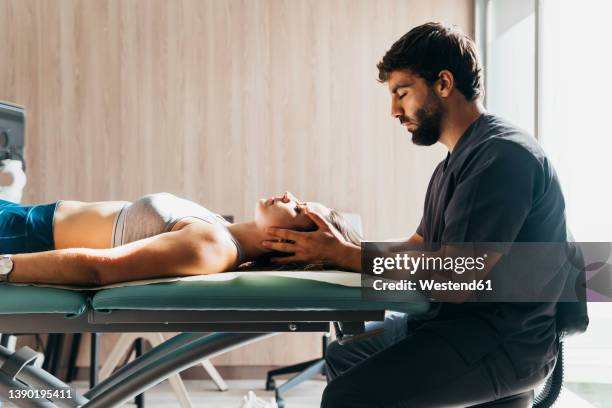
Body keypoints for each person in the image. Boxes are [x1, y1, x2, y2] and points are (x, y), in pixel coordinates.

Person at [263, 22, 568, 407]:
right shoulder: (455, 163)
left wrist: (345, 255)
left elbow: (455, 277)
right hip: (453, 324)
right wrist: (343, 246)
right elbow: (418, 246)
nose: (394, 110)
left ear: (443, 83)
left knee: (347, 397)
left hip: (499, 340)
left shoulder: (502, 157)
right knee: (345, 353)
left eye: (402, 93)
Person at [0, 191, 360, 286]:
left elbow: (100, 269)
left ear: (290, 243)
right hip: (21, 218)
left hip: (21, 236)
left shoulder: (212, 248)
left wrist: (5, 266)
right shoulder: (221, 229)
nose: (287, 195)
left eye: (298, 209)